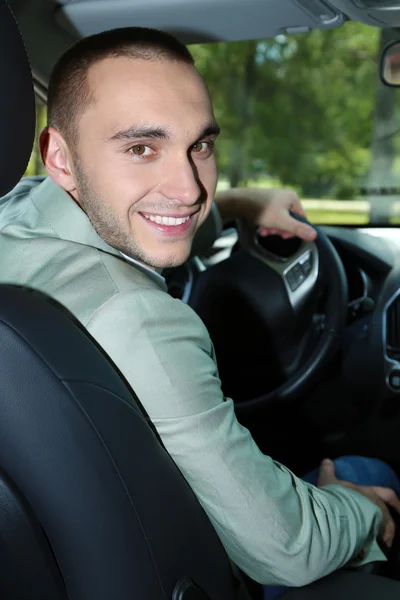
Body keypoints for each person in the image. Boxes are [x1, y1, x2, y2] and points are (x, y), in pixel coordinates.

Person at [0, 27, 399, 599]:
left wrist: (237, 203)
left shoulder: (13, 214)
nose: (188, 188)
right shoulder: (138, 316)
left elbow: (143, 214)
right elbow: (287, 550)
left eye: (201, 146)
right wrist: (359, 514)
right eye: (142, 148)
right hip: (199, 576)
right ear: (60, 157)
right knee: (369, 474)